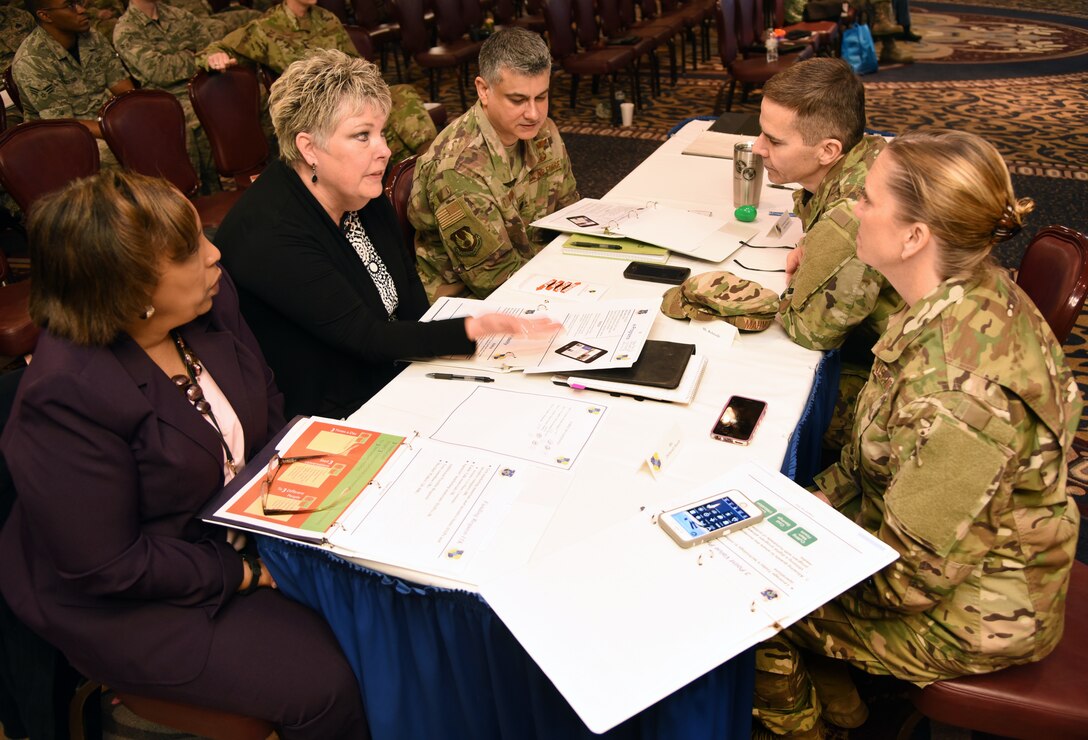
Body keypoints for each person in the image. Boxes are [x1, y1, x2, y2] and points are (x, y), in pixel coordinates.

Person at [0, 170, 368, 738]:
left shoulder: (210, 306)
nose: (215, 252)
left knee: (383, 611)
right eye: (190, 250)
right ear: (130, 289)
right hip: (133, 599)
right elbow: (109, 566)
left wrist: (329, 485)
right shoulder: (66, 395)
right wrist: (247, 572)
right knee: (331, 683)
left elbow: (266, 408)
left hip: (231, 533)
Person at [751, 129, 1082, 738]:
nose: (853, 208)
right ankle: (839, 694)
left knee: (746, 612)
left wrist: (785, 564)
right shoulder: (955, 294)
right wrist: (812, 506)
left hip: (976, 612)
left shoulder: (962, 394)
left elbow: (912, 581)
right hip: (947, 559)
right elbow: (870, 460)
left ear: (913, 237)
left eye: (870, 200)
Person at [215, 49, 559, 419]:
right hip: (330, 409)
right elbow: (363, 337)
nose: (384, 150)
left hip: (391, 372)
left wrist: (445, 364)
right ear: (309, 147)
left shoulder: (359, 187)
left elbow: (408, 293)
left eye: (380, 132)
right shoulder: (271, 233)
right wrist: (471, 330)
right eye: (362, 136)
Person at [753, 57, 902, 451]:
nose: (757, 148)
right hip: (889, 350)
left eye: (775, 140)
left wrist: (785, 296)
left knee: (765, 403)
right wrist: (814, 247)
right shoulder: (868, 154)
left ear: (828, 150)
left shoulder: (854, 213)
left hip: (907, 394)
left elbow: (813, 332)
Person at [409, 27, 580, 301]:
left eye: (542, 97)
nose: (534, 113)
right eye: (518, 100)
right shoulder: (458, 169)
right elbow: (495, 279)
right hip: (473, 302)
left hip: (539, 271)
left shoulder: (543, 132)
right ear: (484, 90)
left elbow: (570, 216)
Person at [198, 0, 437, 166]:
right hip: (312, 110)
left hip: (346, 98)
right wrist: (215, 57)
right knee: (369, 125)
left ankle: (424, 159)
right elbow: (219, 48)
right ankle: (413, 169)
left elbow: (358, 65)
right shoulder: (266, 28)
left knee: (402, 95)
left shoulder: (327, 19)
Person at [12, 0, 134, 167]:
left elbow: (123, 88)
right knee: (129, 153)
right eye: (70, 6)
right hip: (63, 140)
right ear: (45, 15)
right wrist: (119, 130)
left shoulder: (92, 37)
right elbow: (64, 124)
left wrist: (137, 118)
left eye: (78, 2)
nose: (82, 10)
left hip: (108, 122)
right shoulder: (32, 61)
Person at [113, 0, 220, 190]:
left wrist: (200, 57)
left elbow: (210, 50)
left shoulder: (181, 15)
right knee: (194, 123)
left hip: (205, 88)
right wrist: (196, 57)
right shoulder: (126, 30)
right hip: (166, 101)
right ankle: (202, 193)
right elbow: (160, 71)